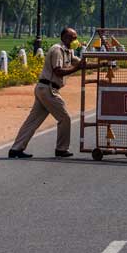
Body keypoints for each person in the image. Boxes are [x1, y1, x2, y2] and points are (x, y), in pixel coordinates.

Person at [8, 27, 106, 159]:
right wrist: (77, 67)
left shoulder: (68, 51)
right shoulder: (57, 50)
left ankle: (16, 149)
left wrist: (102, 64)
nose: (75, 40)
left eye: (75, 37)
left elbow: (81, 64)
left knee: (33, 121)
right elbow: (58, 71)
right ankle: (61, 149)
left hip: (44, 88)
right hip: (48, 89)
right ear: (65, 38)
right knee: (64, 118)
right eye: (73, 37)